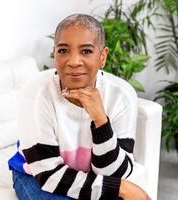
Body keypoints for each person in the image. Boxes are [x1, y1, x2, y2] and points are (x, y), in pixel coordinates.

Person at [8, 14, 151, 200]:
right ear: (54, 54)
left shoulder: (121, 95)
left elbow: (114, 173)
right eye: (63, 50)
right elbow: (47, 174)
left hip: (91, 174)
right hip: (35, 174)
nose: (74, 61)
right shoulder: (36, 91)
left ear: (102, 57)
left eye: (86, 51)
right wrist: (120, 188)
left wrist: (100, 120)